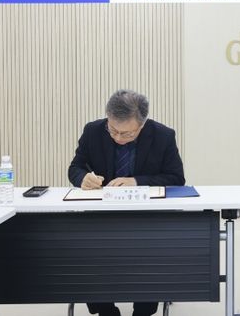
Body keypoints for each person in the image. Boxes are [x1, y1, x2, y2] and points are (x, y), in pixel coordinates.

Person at [68, 89, 185, 316]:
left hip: (146, 218)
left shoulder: (163, 136)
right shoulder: (93, 131)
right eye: (113, 130)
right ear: (108, 118)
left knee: (148, 251)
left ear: (142, 124)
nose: (118, 138)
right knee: (87, 249)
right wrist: (83, 178)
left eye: (127, 134)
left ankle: (143, 310)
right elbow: (75, 167)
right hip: (101, 215)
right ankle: (105, 310)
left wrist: (137, 181)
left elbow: (176, 178)